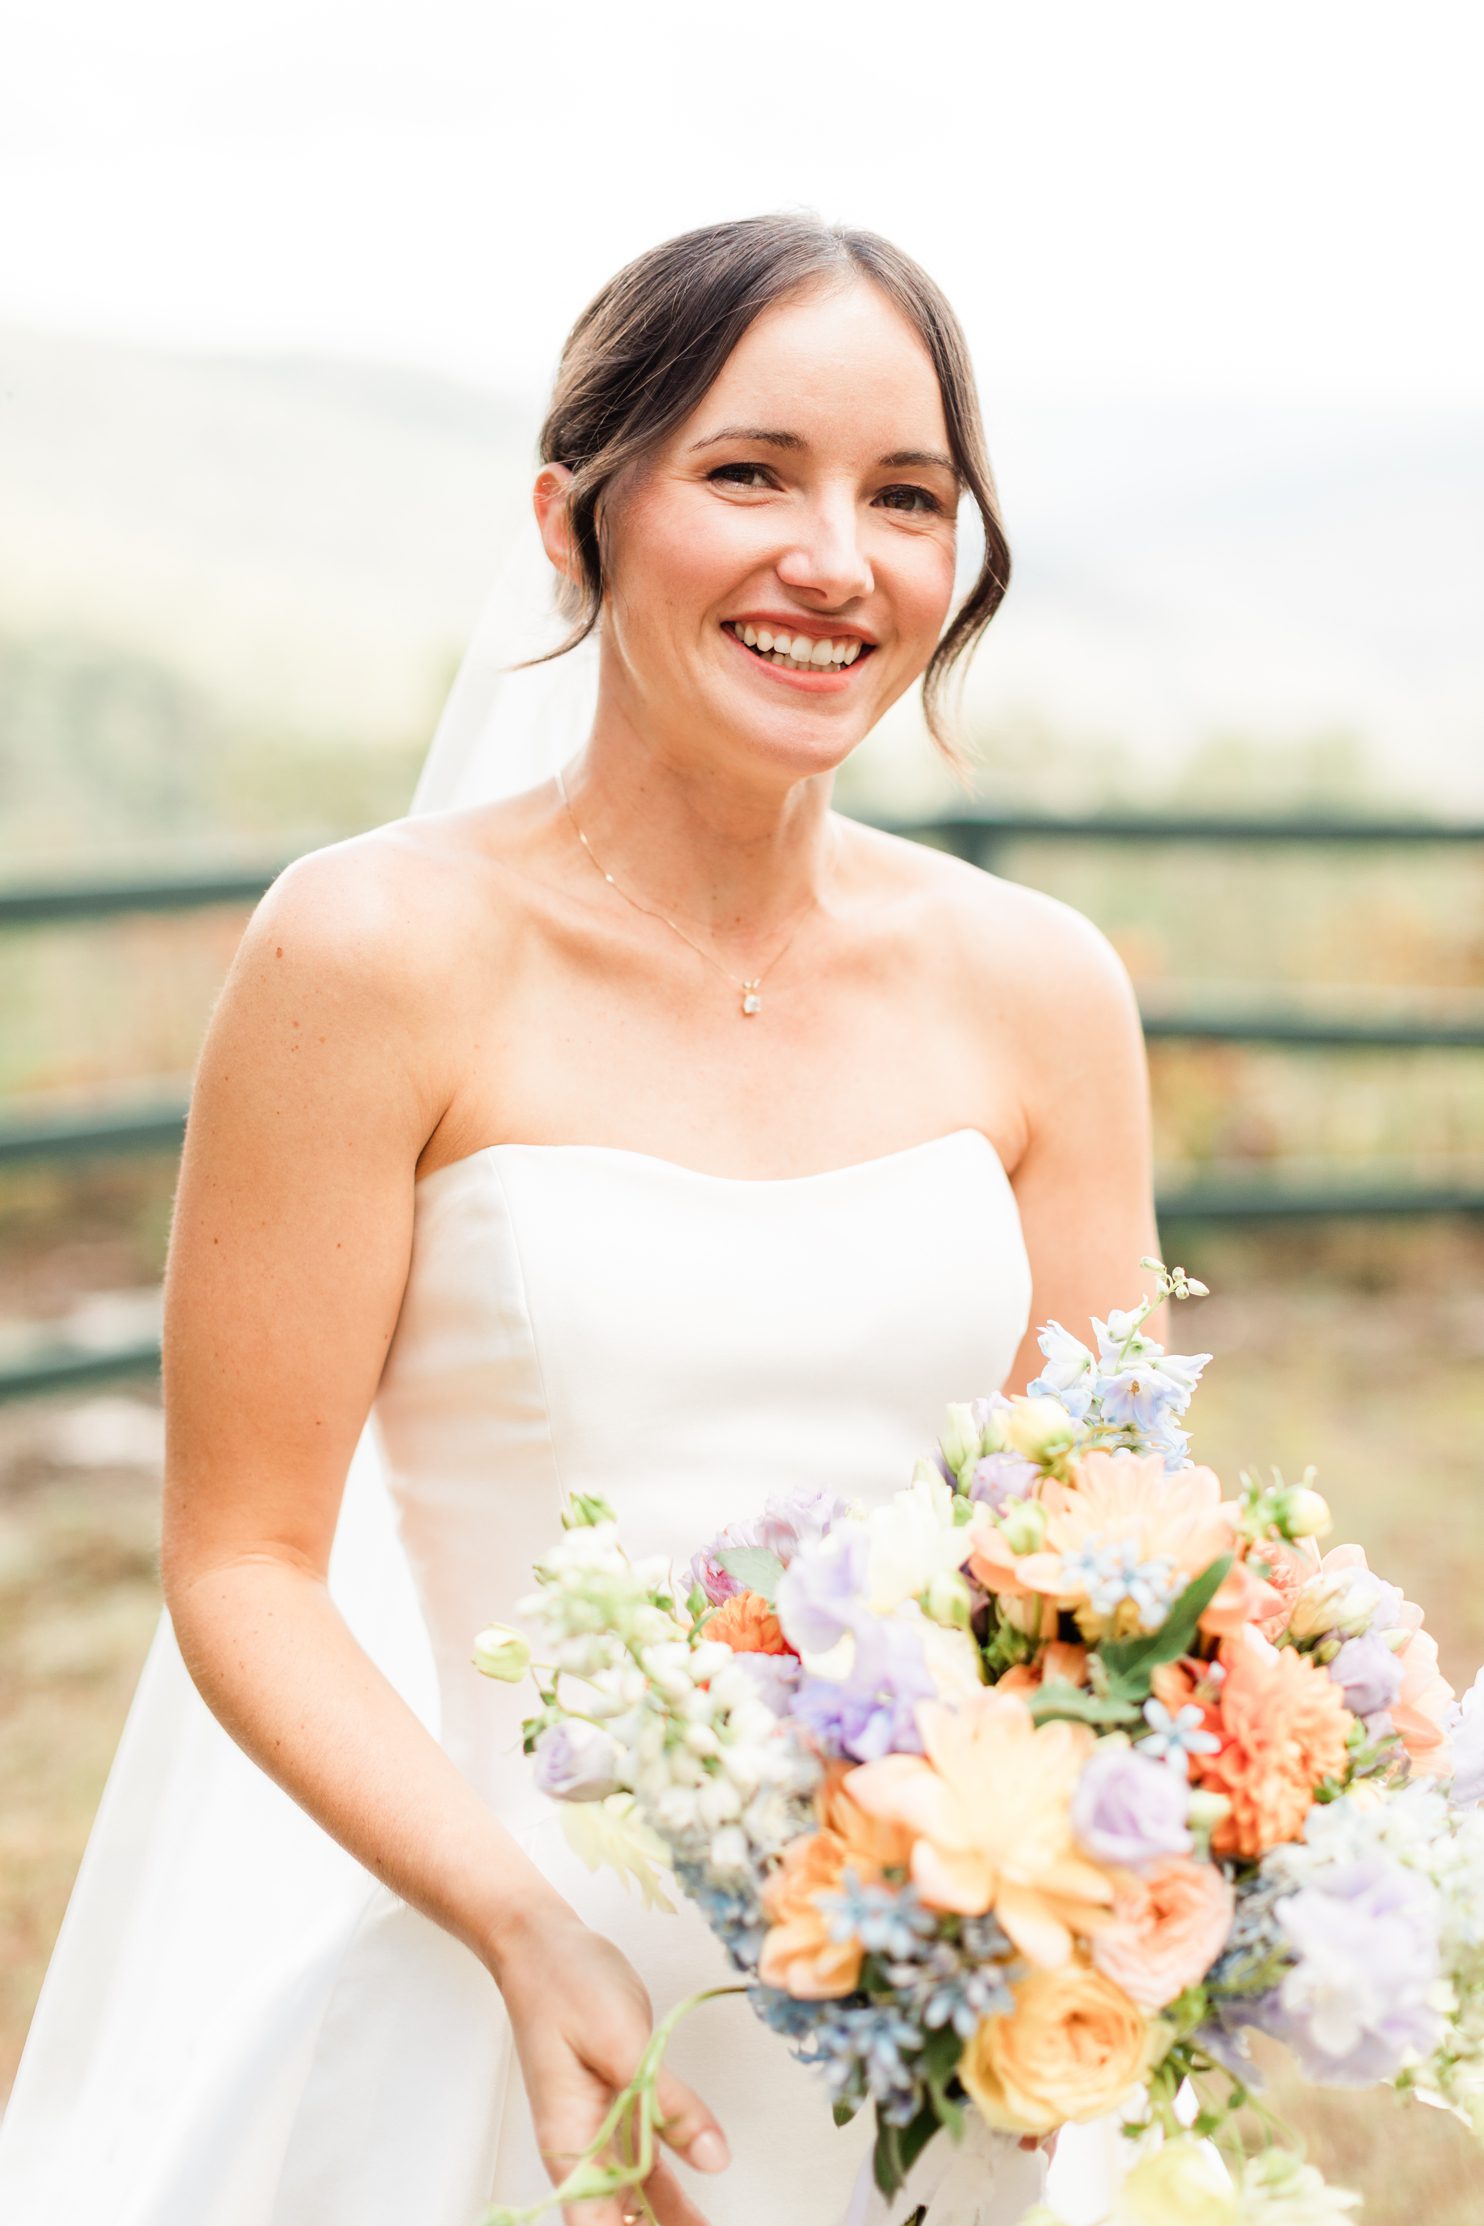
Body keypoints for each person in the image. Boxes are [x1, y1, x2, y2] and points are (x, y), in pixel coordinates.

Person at [0, 212, 1164, 2226]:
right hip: (510, 1995)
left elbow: (1113, 1551)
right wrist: (512, 1922)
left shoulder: (1039, 985)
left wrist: (1092, 1900)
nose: (836, 558)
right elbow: (248, 1562)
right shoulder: (368, 954)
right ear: (574, 518)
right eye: (747, 472)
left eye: (906, 494)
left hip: (941, 2022)